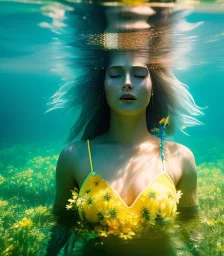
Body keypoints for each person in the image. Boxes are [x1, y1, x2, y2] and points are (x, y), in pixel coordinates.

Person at [45, 45, 204, 255]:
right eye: (115, 74)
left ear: (153, 86)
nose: (127, 83)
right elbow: (62, 225)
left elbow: (191, 226)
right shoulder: (74, 156)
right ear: (102, 86)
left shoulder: (181, 157)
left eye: (139, 75)